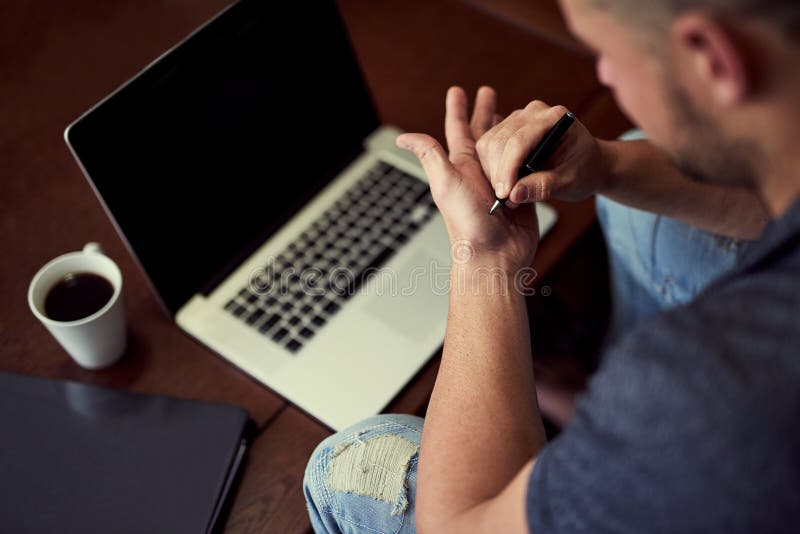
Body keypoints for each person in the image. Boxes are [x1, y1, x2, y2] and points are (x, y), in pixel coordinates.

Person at [303, 0, 800, 531]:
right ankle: (596, 404)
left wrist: (484, 257)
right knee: (637, 173)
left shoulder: (711, 396)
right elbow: (768, 207)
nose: (604, 73)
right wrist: (606, 166)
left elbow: (455, 527)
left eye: (604, 51)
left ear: (711, 57)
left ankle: (605, 430)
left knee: (348, 460)